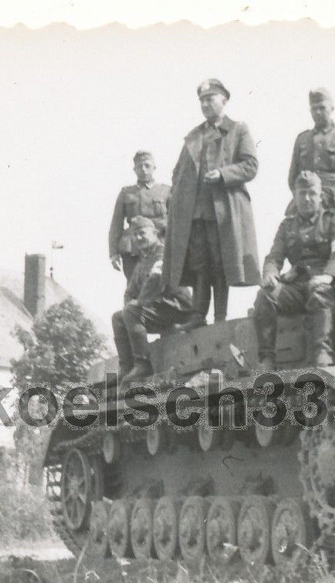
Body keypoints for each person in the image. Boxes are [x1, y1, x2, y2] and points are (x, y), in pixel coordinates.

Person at [163, 78, 261, 327]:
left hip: (223, 211)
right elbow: (178, 172)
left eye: (210, 98)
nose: (205, 104)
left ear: (224, 100)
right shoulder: (194, 135)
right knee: (199, 263)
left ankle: (219, 317)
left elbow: (251, 165)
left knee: (220, 262)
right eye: (202, 100)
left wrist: (223, 174)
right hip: (195, 211)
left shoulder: (238, 129)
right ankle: (198, 316)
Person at [253, 171, 335, 370]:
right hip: (298, 286)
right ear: (295, 196)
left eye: (311, 193)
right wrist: (271, 274)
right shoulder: (287, 226)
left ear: (320, 195)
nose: (306, 199)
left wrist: (328, 276)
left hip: (328, 286)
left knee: (319, 291)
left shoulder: (334, 219)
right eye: (302, 193)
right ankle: (267, 358)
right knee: (265, 296)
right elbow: (274, 257)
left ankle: (322, 351)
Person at [111, 216, 196, 383]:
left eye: (142, 233)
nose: (138, 238)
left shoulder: (163, 253)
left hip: (178, 308)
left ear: (154, 233)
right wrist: (129, 309)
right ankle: (127, 367)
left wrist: (138, 304)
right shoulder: (142, 262)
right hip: (159, 310)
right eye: (135, 235)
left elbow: (156, 279)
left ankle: (143, 364)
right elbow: (130, 292)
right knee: (118, 318)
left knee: (131, 310)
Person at [288, 87, 335, 221]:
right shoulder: (302, 139)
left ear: (332, 108)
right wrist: (304, 199)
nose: (318, 112)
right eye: (314, 109)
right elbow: (293, 178)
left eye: (322, 108)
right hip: (309, 207)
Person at [107, 150, 170, 294]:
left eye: (147, 165)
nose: (144, 169)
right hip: (133, 248)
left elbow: (175, 223)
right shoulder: (126, 193)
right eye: (140, 166)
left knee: (160, 287)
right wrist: (113, 253)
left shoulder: (166, 192)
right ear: (134, 170)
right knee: (134, 288)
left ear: (154, 167)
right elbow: (116, 224)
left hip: (159, 246)